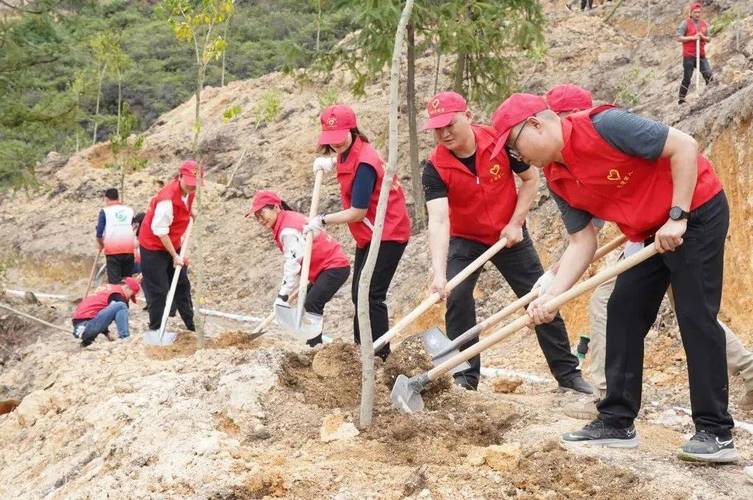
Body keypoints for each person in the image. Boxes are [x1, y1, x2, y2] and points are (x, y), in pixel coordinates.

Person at [492, 92, 736, 462]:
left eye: (514, 146)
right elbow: (581, 242)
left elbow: (684, 146)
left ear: (536, 124)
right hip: (647, 229)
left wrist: (678, 214)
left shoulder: (604, 126)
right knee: (622, 310)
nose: (517, 158)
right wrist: (551, 297)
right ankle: (616, 421)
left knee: (695, 316)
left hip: (695, 212)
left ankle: (715, 431)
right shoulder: (557, 178)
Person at [420, 91, 590, 393]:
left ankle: (568, 375)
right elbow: (439, 220)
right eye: (437, 128)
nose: (444, 133)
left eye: (450, 124)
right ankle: (464, 377)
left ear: (468, 116)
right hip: (466, 238)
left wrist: (515, 223)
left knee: (540, 295)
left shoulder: (499, 143)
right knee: (457, 298)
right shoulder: (434, 167)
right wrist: (439, 272)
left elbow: (530, 180)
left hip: (508, 235)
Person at [304, 104, 411, 359]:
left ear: (352, 129)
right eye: (330, 140)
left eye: (339, 137)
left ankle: (379, 355)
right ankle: (360, 350)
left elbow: (357, 211)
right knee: (358, 294)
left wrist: (322, 219)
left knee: (370, 294)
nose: (336, 144)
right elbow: (346, 161)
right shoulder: (352, 151)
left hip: (387, 234)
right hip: (369, 234)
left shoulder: (365, 163)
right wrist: (330, 162)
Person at [248, 191, 350, 347]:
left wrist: (283, 294)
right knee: (307, 303)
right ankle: (313, 345)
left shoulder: (287, 230)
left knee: (312, 303)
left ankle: (315, 348)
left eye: (262, 213)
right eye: (257, 217)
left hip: (334, 266)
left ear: (276, 207)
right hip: (324, 268)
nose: (261, 220)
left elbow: (293, 263)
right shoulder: (288, 219)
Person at [138, 160, 202, 334]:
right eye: (189, 183)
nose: (192, 188)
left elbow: (185, 204)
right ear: (180, 176)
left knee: (182, 283)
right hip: (153, 246)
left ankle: (192, 325)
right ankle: (156, 330)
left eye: (195, 185)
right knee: (159, 290)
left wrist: (190, 213)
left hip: (172, 241)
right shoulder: (166, 200)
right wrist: (175, 256)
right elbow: (160, 231)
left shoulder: (190, 191)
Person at [72, 277, 140, 347]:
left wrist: (107, 333)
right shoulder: (117, 295)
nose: (128, 299)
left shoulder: (108, 289)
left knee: (117, 307)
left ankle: (86, 342)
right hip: (86, 326)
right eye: (131, 295)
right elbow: (118, 310)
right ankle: (125, 337)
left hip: (80, 326)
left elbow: (101, 315)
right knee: (121, 306)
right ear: (126, 288)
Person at [96, 188, 135, 284]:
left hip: (113, 251)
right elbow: (134, 227)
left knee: (115, 284)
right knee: (127, 283)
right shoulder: (129, 210)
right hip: (129, 250)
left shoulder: (105, 211)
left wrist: (101, 244)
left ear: (106, 198)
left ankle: (116, 298)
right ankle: (126, 299)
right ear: (118, 198)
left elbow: (99, 233)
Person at [677, 2, 713, 105]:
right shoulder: (685, 23)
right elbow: (678, 37)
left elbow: (709, 38)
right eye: (695, 12)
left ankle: (711, 94)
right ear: (691, 13)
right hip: (689, 55)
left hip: (701, 55)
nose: (697, 14)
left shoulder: (704, 24)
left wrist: (702, 37)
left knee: (708, 74)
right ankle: (681, 99)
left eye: (699, 12)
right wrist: (692, 38)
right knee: (687, 78)